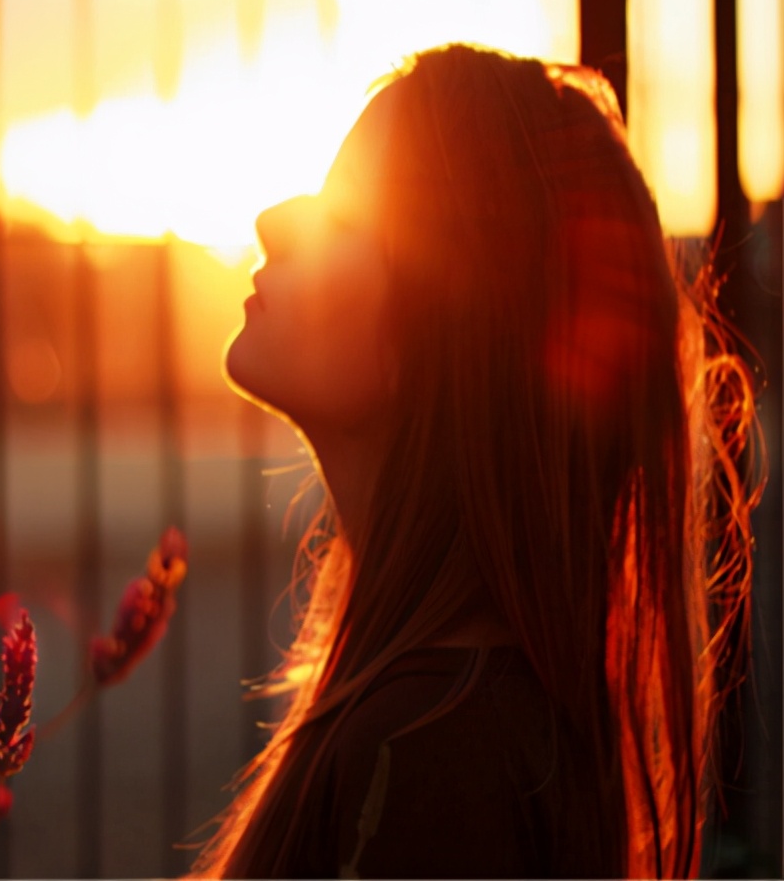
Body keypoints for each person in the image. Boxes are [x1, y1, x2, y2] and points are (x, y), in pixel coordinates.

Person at [191, 43, 763, 879]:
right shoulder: (455, 716)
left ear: (449, 334)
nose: (275, 219)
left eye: (346, 219)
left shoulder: (431, 757)